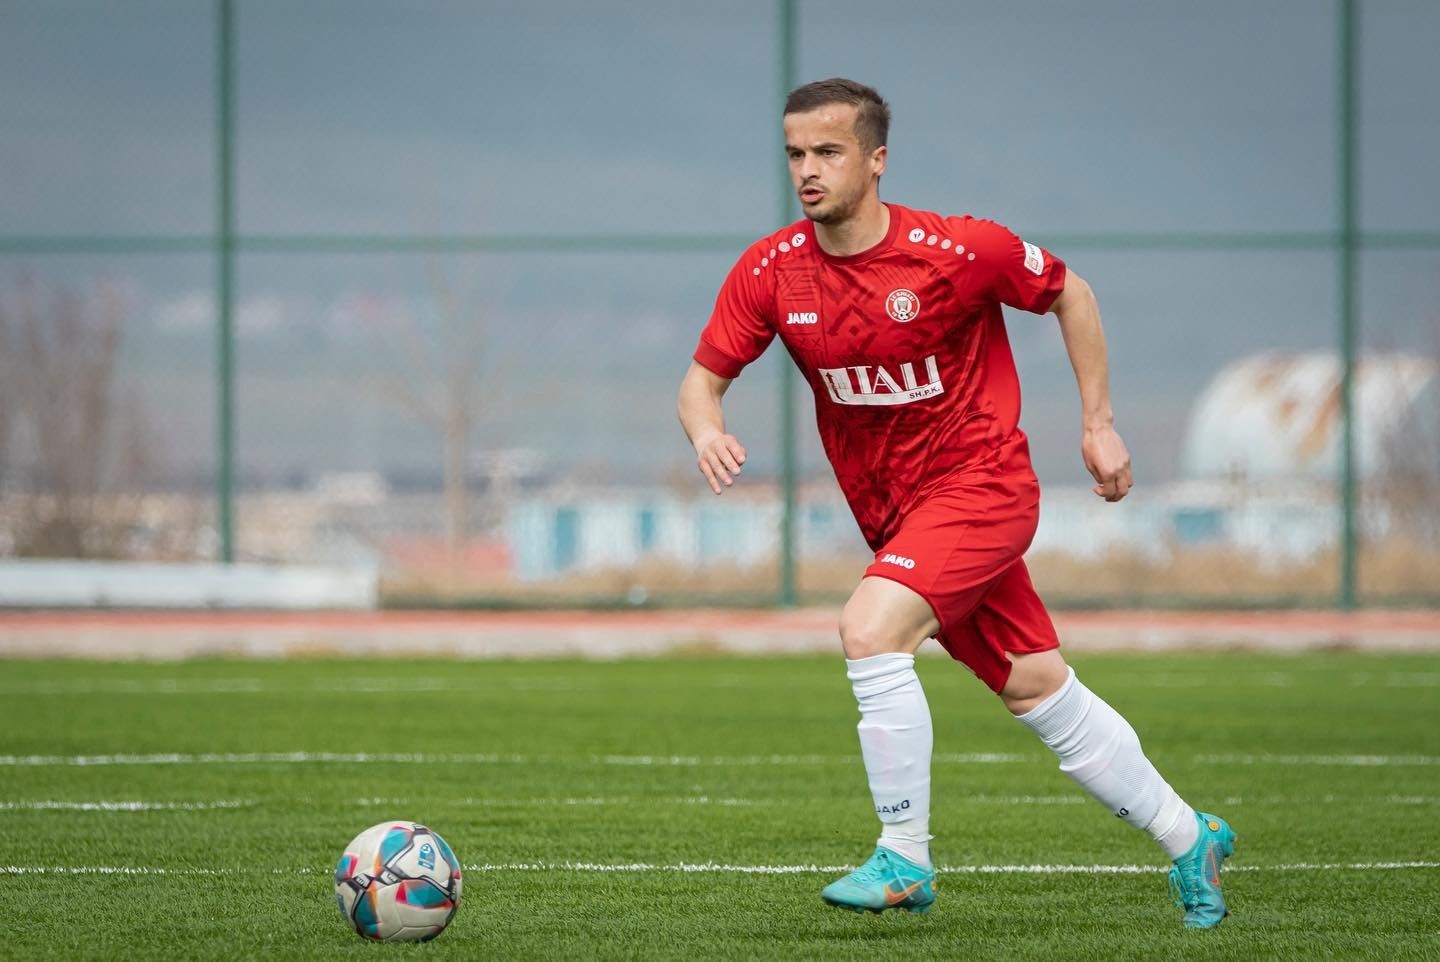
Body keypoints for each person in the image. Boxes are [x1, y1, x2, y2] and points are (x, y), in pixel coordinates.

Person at [675, 78, 1236, 928]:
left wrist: (1098, 424)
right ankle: (1191, 838)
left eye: (827, 151)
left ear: (876, 160)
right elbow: (700, 382)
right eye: (795, 154)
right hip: (898, 518)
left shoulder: (957, 250)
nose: (808, 170)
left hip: (982, 485)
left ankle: (905, 855)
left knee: (869, 629)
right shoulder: (771, 269)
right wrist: (706, 429)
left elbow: (1071, 294)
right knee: (1035, 686)